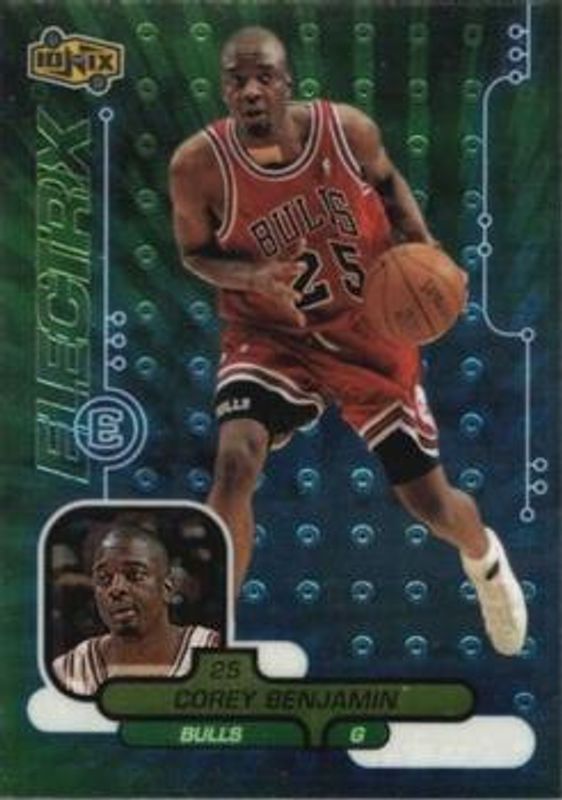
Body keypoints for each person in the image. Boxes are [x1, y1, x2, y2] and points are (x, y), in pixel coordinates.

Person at [169, 26, 527, 656]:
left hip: (370, 335)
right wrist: (253, 276)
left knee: (430, 505)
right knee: (235, 461)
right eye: (237, 79)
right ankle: (207, 631)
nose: (250, 90)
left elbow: (388, 184)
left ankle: (485, 559)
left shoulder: (347, 132)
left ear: (287, 82)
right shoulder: (197, 166)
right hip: (271, 333)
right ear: (223, 89)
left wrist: (425, 248)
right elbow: (194, 252)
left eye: (264, 77)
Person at [52, 525, 220, 695]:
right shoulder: (68, 670)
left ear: (167, 587)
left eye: (134, 575)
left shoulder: (212, 652)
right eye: (104, 579)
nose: (116, 589)